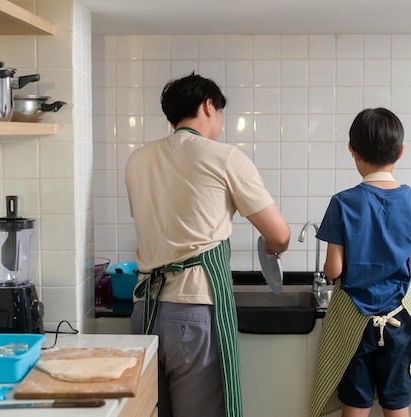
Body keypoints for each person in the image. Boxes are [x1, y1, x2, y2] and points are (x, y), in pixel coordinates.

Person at [124, 72, 290, 417]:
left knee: (152, 411)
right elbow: (279, 234)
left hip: (144, 310)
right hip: (194, 312)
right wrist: (274, 247)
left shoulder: (137, 160)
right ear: (208, 106)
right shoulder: (224, 157)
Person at [309, 108, 411, 417]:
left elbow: (334, 269)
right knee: (397, 402)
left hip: (355, 321)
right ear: (401, 151)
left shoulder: (343, 202)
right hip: (399, 318)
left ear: (353, 152)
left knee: (355, 403)